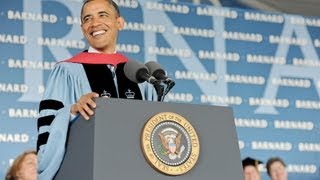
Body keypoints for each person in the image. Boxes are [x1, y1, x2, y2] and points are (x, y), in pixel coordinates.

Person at [36, 0, 157, 179]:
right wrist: (72, 111)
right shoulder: (67, 71)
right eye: (87, 19)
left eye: (103, 15)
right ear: (82, 27)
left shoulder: (140, 76)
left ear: (120, 22)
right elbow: (47, 136)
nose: (94, 23)